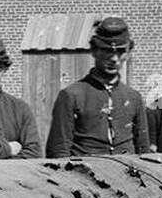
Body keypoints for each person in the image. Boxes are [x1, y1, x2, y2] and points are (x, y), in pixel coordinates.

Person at [45, 17, 150, 158]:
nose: (114, 58)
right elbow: (58, 152)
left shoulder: (133, 98)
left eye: (120, 51)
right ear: (94, 51)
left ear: (129, 53)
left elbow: (143, 150)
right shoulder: (71, 96)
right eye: (107, 51)